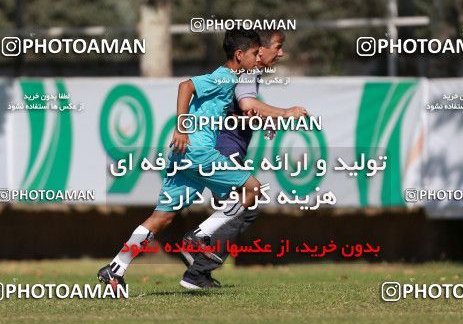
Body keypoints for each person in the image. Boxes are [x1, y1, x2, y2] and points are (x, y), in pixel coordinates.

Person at [97, 29, 262, 291]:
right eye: (255, 53)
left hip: (185, 156)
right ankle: (199, 236)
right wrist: (182, 127)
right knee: (252, 189)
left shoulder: (229, 82)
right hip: (199, 151)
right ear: (239, 55)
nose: (258, 57)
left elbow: (212, 114)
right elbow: (186, 86)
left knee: (161, 217)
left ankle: (115, 268)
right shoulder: (223, 77)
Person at [179, 29, 308, 290]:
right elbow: (247, 104)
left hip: (223, 147)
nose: (281, 53)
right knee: (246, 206)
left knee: (242, 207)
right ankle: (197, 262)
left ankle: (198, 265)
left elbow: (240, 110)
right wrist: (285, 112)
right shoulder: (247, 73)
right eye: (278, 47)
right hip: (226, 148)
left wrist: (264, 118)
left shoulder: (247, 73)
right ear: (260, 50)